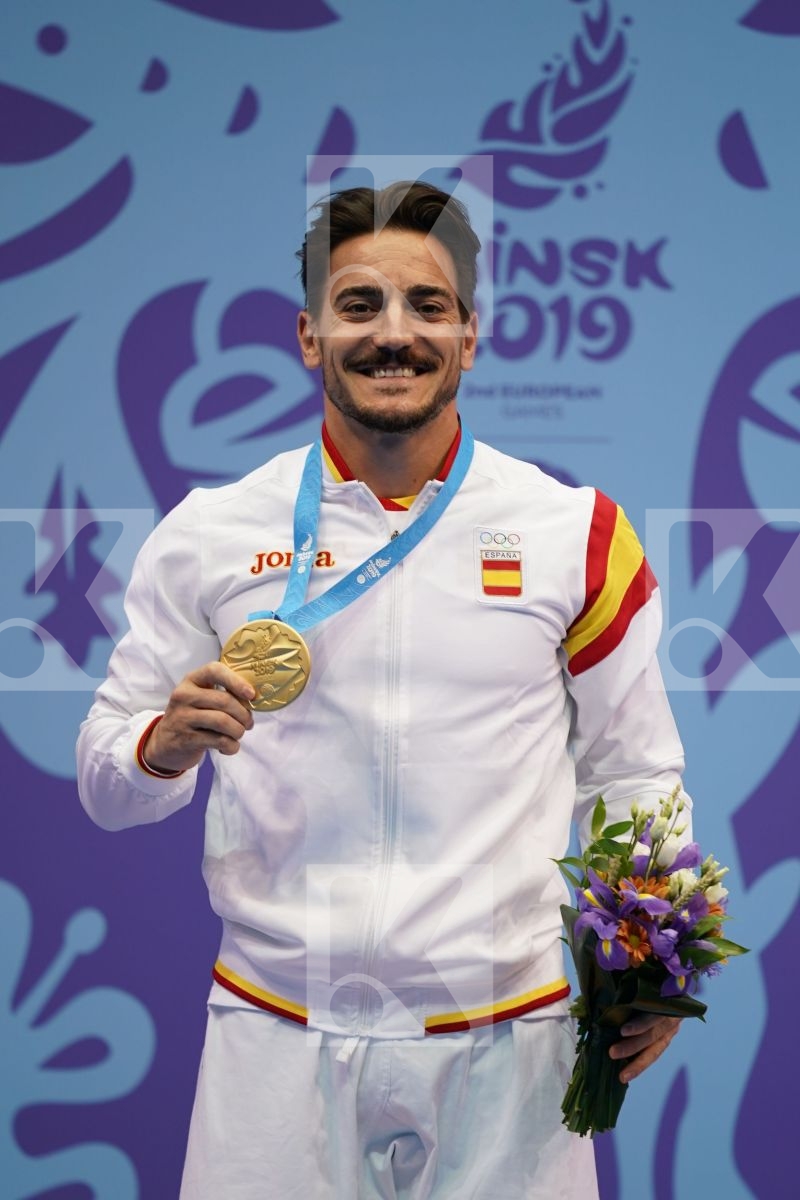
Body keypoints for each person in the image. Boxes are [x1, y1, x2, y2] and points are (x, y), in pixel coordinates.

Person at [77, 180, 687, 1199]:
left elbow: (633, 766)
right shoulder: (210, 531)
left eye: (427, 307)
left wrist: (650, 962)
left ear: (470, 336)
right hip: (275, 1035)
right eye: (358, 306)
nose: (392, 334)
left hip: (511, 1042)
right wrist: (161, 745)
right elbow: (106, 782)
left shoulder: (573, 534)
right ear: (310, 335)